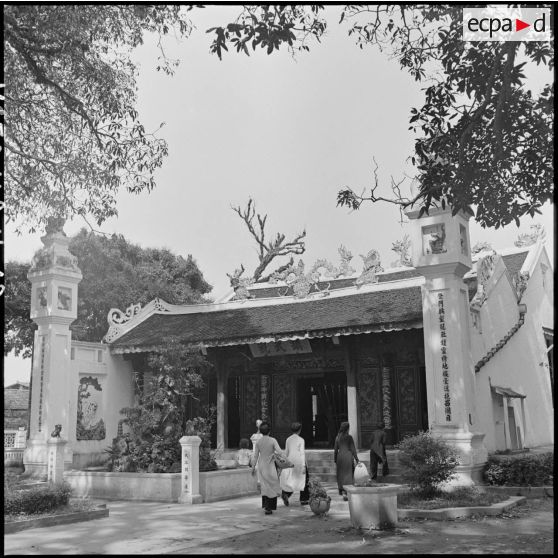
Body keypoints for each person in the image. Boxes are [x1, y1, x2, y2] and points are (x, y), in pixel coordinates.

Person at [251, 421, 283, 515]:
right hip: (270, 465)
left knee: (264, 486)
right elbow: (280, 452)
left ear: (261, 431)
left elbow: (255, 456)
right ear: (269, 431)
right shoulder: (273, 440)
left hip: (261, 466)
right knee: (272, 485)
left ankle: (266, 507)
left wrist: (253, 467)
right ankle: (270, 507)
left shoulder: (259, 442)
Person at [280, 422, 307, 506]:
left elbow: (286, 452)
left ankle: (286, 494)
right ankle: (304, 499)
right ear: (300, 430)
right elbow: (302, 453)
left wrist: (285, 462)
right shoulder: (301, 440)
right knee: (304, 479)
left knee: (290, 479)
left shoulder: (288, 439)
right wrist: (303, 465)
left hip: (290, 461)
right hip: (299, 461)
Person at [333, 421, 359, 500]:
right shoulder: (349, 437)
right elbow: (353, 449)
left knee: (341, 474)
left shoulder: (337, 437)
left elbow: (335, 449)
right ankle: (347, 490)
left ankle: (342, 490)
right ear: (347, 428)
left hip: (340, 457)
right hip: (348, 456)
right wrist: (357, 459)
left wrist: (335, 459)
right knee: (348, 473)